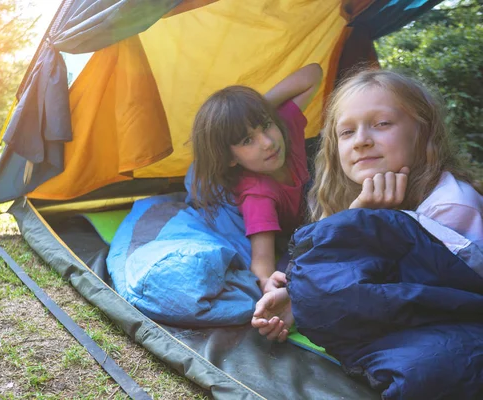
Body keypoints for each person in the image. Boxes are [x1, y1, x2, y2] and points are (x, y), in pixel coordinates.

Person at [252, 69, 483, 342]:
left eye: (383, 123)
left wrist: (366, 223)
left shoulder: (452, 207)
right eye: (347, 132)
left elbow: (433, 305)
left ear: (423, 130)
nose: (361, 140)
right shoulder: (340, 194)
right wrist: (295, 297)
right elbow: (337, 271)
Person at [190, 63, 323, 293]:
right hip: (296, 227)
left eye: (266, 126)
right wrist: (266, 283)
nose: (268, 143)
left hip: (311, 195)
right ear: (230, 158)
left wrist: (253, 112)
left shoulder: (284, 128)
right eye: (247, 140)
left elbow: (313, 73)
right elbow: (262, 258)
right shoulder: (258, 193)